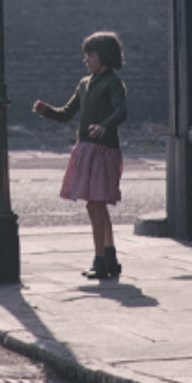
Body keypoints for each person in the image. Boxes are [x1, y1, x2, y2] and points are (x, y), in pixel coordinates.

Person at [32, 31, 128, 279]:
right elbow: (66, 114)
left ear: (104, 57)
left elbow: (121, 111)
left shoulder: (113, 83)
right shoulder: (84, 84)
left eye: (91, 55)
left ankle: (99, 261)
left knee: (96, 204)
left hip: (104, 149)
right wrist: (46, 111)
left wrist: (104, 125)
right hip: (86, 148)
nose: (86, 60)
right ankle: (110, 257)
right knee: (97, 205)